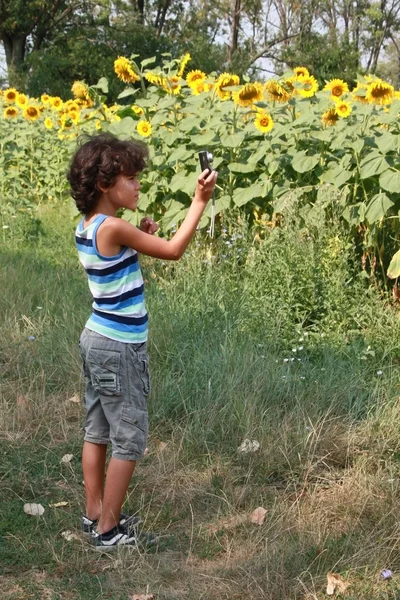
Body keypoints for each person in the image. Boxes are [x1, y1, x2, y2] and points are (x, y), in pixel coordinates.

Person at [67, 133, 217, 551]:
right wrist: (199, 202)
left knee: (96, 429)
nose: (137, 186)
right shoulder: (115, 227)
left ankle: (93, 513)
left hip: (95, 337)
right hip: (119, 346)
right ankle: (108, 532)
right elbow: (172, 250)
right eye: (131, 179)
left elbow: (116, 257)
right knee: (129, 436)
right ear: (104, 185)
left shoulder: (89, 227)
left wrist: (138, 235)